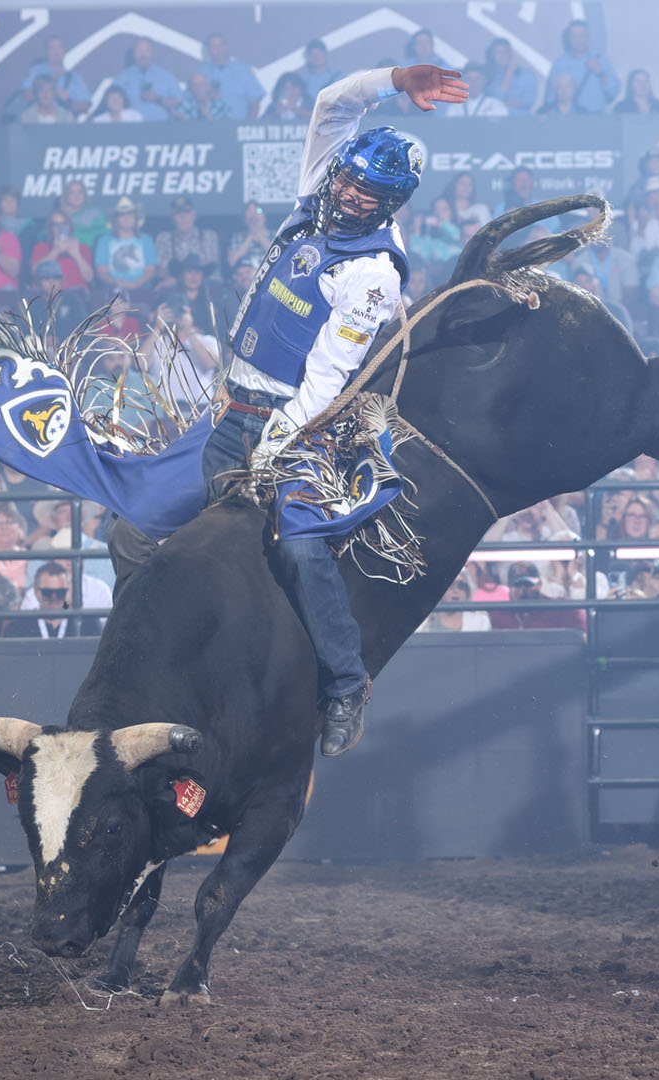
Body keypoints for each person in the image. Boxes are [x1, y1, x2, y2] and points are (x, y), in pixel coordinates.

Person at [107, 64, 464, 757]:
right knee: (128, 533)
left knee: (301, 548)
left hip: (297, 428)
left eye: (369, 191)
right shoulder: (317, 192)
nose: (351, 193)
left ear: (391, 203)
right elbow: (332, 104)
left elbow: (327, 377)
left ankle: (345, 683)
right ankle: (143, 658)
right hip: (228, 413)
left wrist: (277, 445)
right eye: (349, 178)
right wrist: (394, 79)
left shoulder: (372, 273)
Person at [544, 19, 619, 113]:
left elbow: (614, 91)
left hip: (596, 116)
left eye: (582, 35)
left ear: (588, 37)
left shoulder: (601, 60)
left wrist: (600, 73)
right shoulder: (560, 64)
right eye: (574, 36)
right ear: (569, 38)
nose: (578, 40)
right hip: (568, 118)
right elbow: (550, 96)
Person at [94, 197, 159, 292]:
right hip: (112, 290)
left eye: (130, 214)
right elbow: (101, 271)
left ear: (136, 218)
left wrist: (135, 285)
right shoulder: (104, 240)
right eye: (122, 215)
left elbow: (150, 270)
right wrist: (114, 282)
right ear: (116, 219)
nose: (126, 218)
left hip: (142, 290)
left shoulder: (146, 239)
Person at [112, 36, 183, 122]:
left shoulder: (166, 76)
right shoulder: (122, 77)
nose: (143, 55)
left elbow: (179, 103)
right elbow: (111, 102)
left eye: (147, 51)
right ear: (133, 54)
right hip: (131, 127)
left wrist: (158, 99)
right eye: (139, 51)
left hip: (161, 126)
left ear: (152, 53)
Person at [198, 33, 265, 120]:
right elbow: (192, 101)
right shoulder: (201, 73)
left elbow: (255, 101)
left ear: (226, 47)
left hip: (239, 124)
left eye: (221, 45)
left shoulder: (243, 70)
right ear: (208, 50)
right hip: (210, 125)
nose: (218, 49)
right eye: (213, 46)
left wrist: (248, 124)